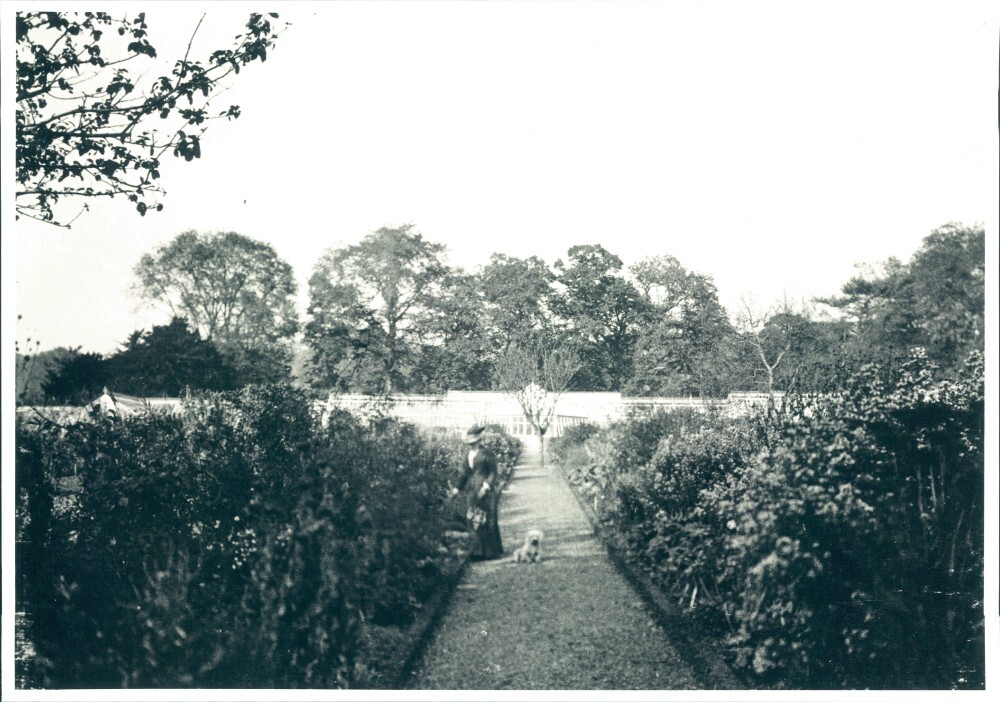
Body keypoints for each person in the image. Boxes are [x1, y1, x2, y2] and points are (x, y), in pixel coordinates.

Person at [450, 424, 503, 560]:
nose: (471, 445)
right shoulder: (466, 454)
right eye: (470, 443)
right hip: (471, 491)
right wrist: (457, 488)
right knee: (472, 519)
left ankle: (490, 552)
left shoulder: (487, 453)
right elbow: (463, 474)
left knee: (486, 519)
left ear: (479, 440)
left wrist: (485, 487)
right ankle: (475, 552)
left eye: (474, 442)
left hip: (485, 491)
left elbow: (493, 472)